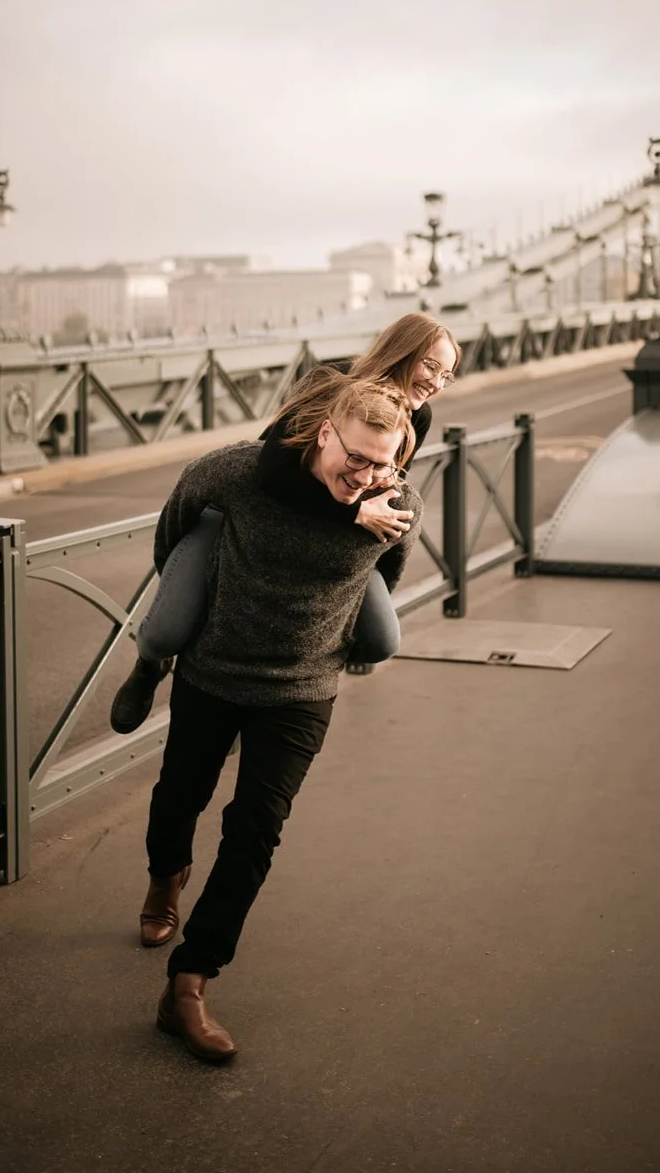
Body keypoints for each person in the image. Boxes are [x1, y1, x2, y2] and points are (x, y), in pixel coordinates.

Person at [138, 375, 423, 1062]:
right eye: (354, 457)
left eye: (381, 463)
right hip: (214, 671)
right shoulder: (238, 472)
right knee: (181, 794)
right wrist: (183, 596)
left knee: (255, 830)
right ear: (324, 432)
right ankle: (166, 872)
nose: (364, 477)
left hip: (300, 690)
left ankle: (190, 981)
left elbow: (388, 573)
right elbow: (177, 522)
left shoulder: (394, 503)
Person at [109, 313, 460, 731]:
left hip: (325, 532)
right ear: (404, 351)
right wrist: (354, 512)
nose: (437, 383)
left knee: (382, 640)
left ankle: (285, 693)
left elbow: (379, 488)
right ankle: (151, 668)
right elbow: (271, 470)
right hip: (246, 515)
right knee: (163, 632)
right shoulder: (331, 382)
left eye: (448, 375)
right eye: (432, 366)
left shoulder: (417, 419)